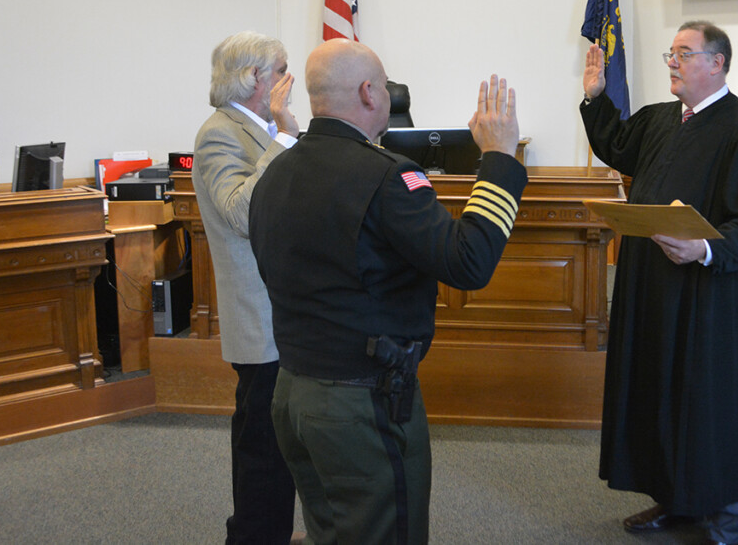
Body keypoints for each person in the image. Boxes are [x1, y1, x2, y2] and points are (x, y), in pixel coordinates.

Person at [247, 38, 527, 545]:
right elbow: (468, 262)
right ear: (370, 93)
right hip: (360, 405)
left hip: (292, 393)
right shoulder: (387, 176)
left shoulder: (274, 173)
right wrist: (501, 159)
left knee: (330, 530)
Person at [580, 21, 738, 545]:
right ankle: (673, 501)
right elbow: (616, 145)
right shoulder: (659, 119)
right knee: (660, 392)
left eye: (683, 53)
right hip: (655, 290)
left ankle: (726, 522)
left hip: (713, 298)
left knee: (708, 402)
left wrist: (704, 248)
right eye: (669, 54)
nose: (671, 62)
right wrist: (595, 99)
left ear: (717, 62)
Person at [192, 31, 299, 544]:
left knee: (287, 443)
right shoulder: (219, 133)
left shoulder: (265, 128)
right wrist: (283, 139)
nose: (290, 78)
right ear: (255, 77)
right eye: (282, 68)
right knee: (262, 447)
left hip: (292, 312)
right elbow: (240, 211)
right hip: (260, 319)